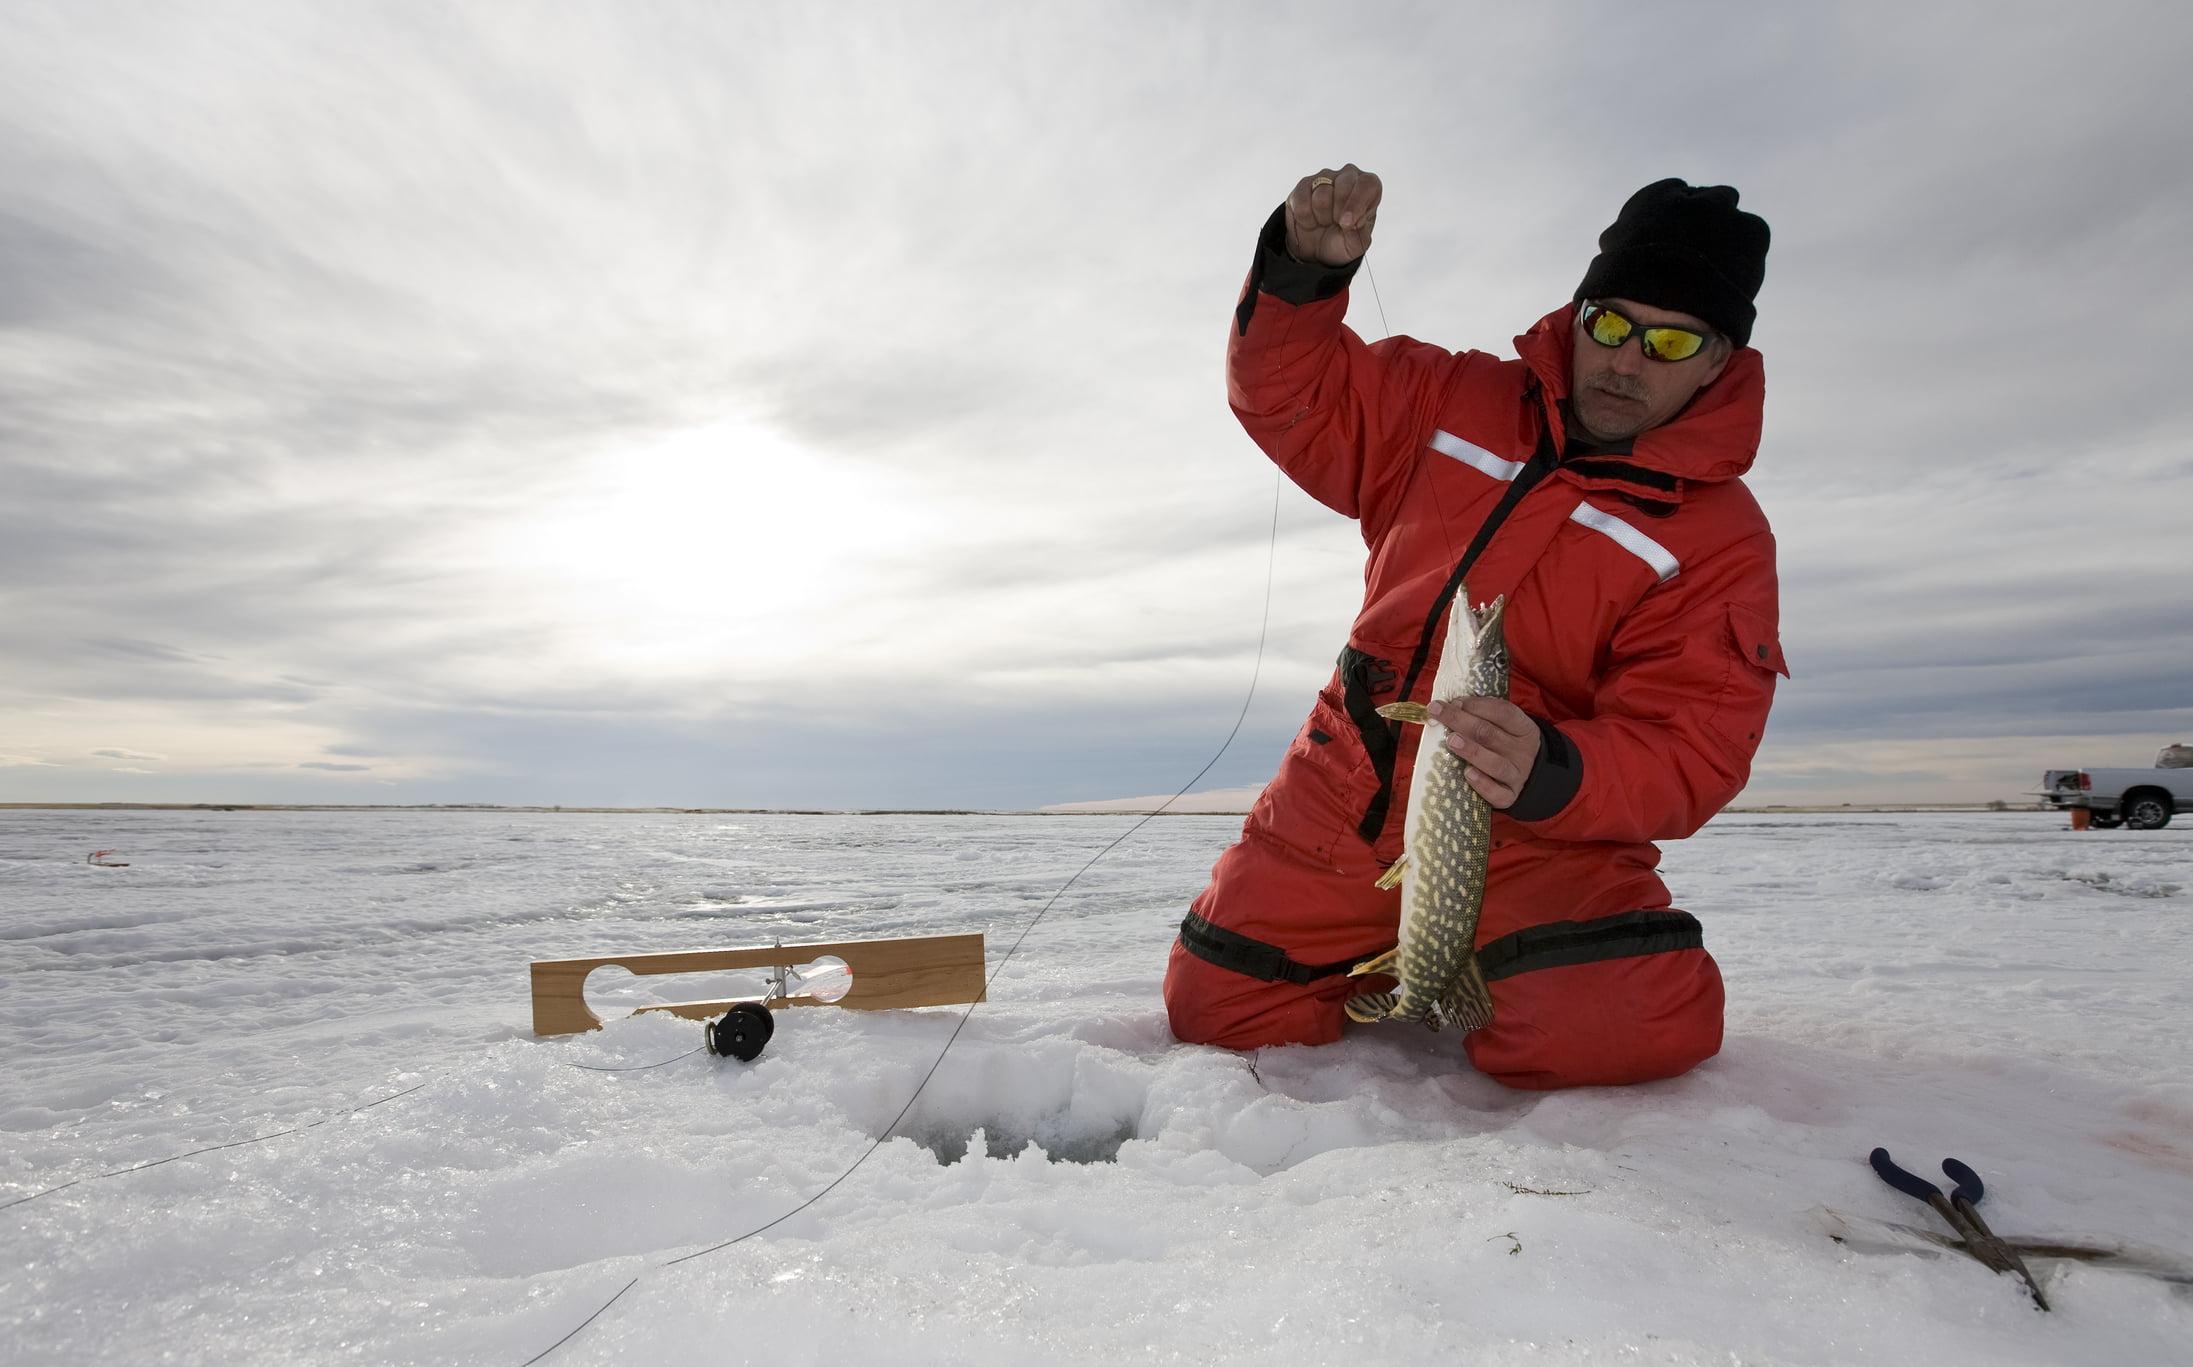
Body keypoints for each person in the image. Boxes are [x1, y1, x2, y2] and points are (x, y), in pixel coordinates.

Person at [1164, 166, 1786, 1090]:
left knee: (1627, 1024)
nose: (1624, 361)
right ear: (1575, 316)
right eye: (1608, 325)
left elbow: (1691, 748)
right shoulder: (1446, 397)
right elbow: (1289, 395)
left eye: (1668, 342)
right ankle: (1393, 962)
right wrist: (1302, 274)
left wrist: (1553, 770)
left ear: (1716, 360)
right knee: (1216, 1008)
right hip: (1348, 783)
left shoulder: (1719, 539)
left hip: (1540, 836)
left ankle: (1485, 966)